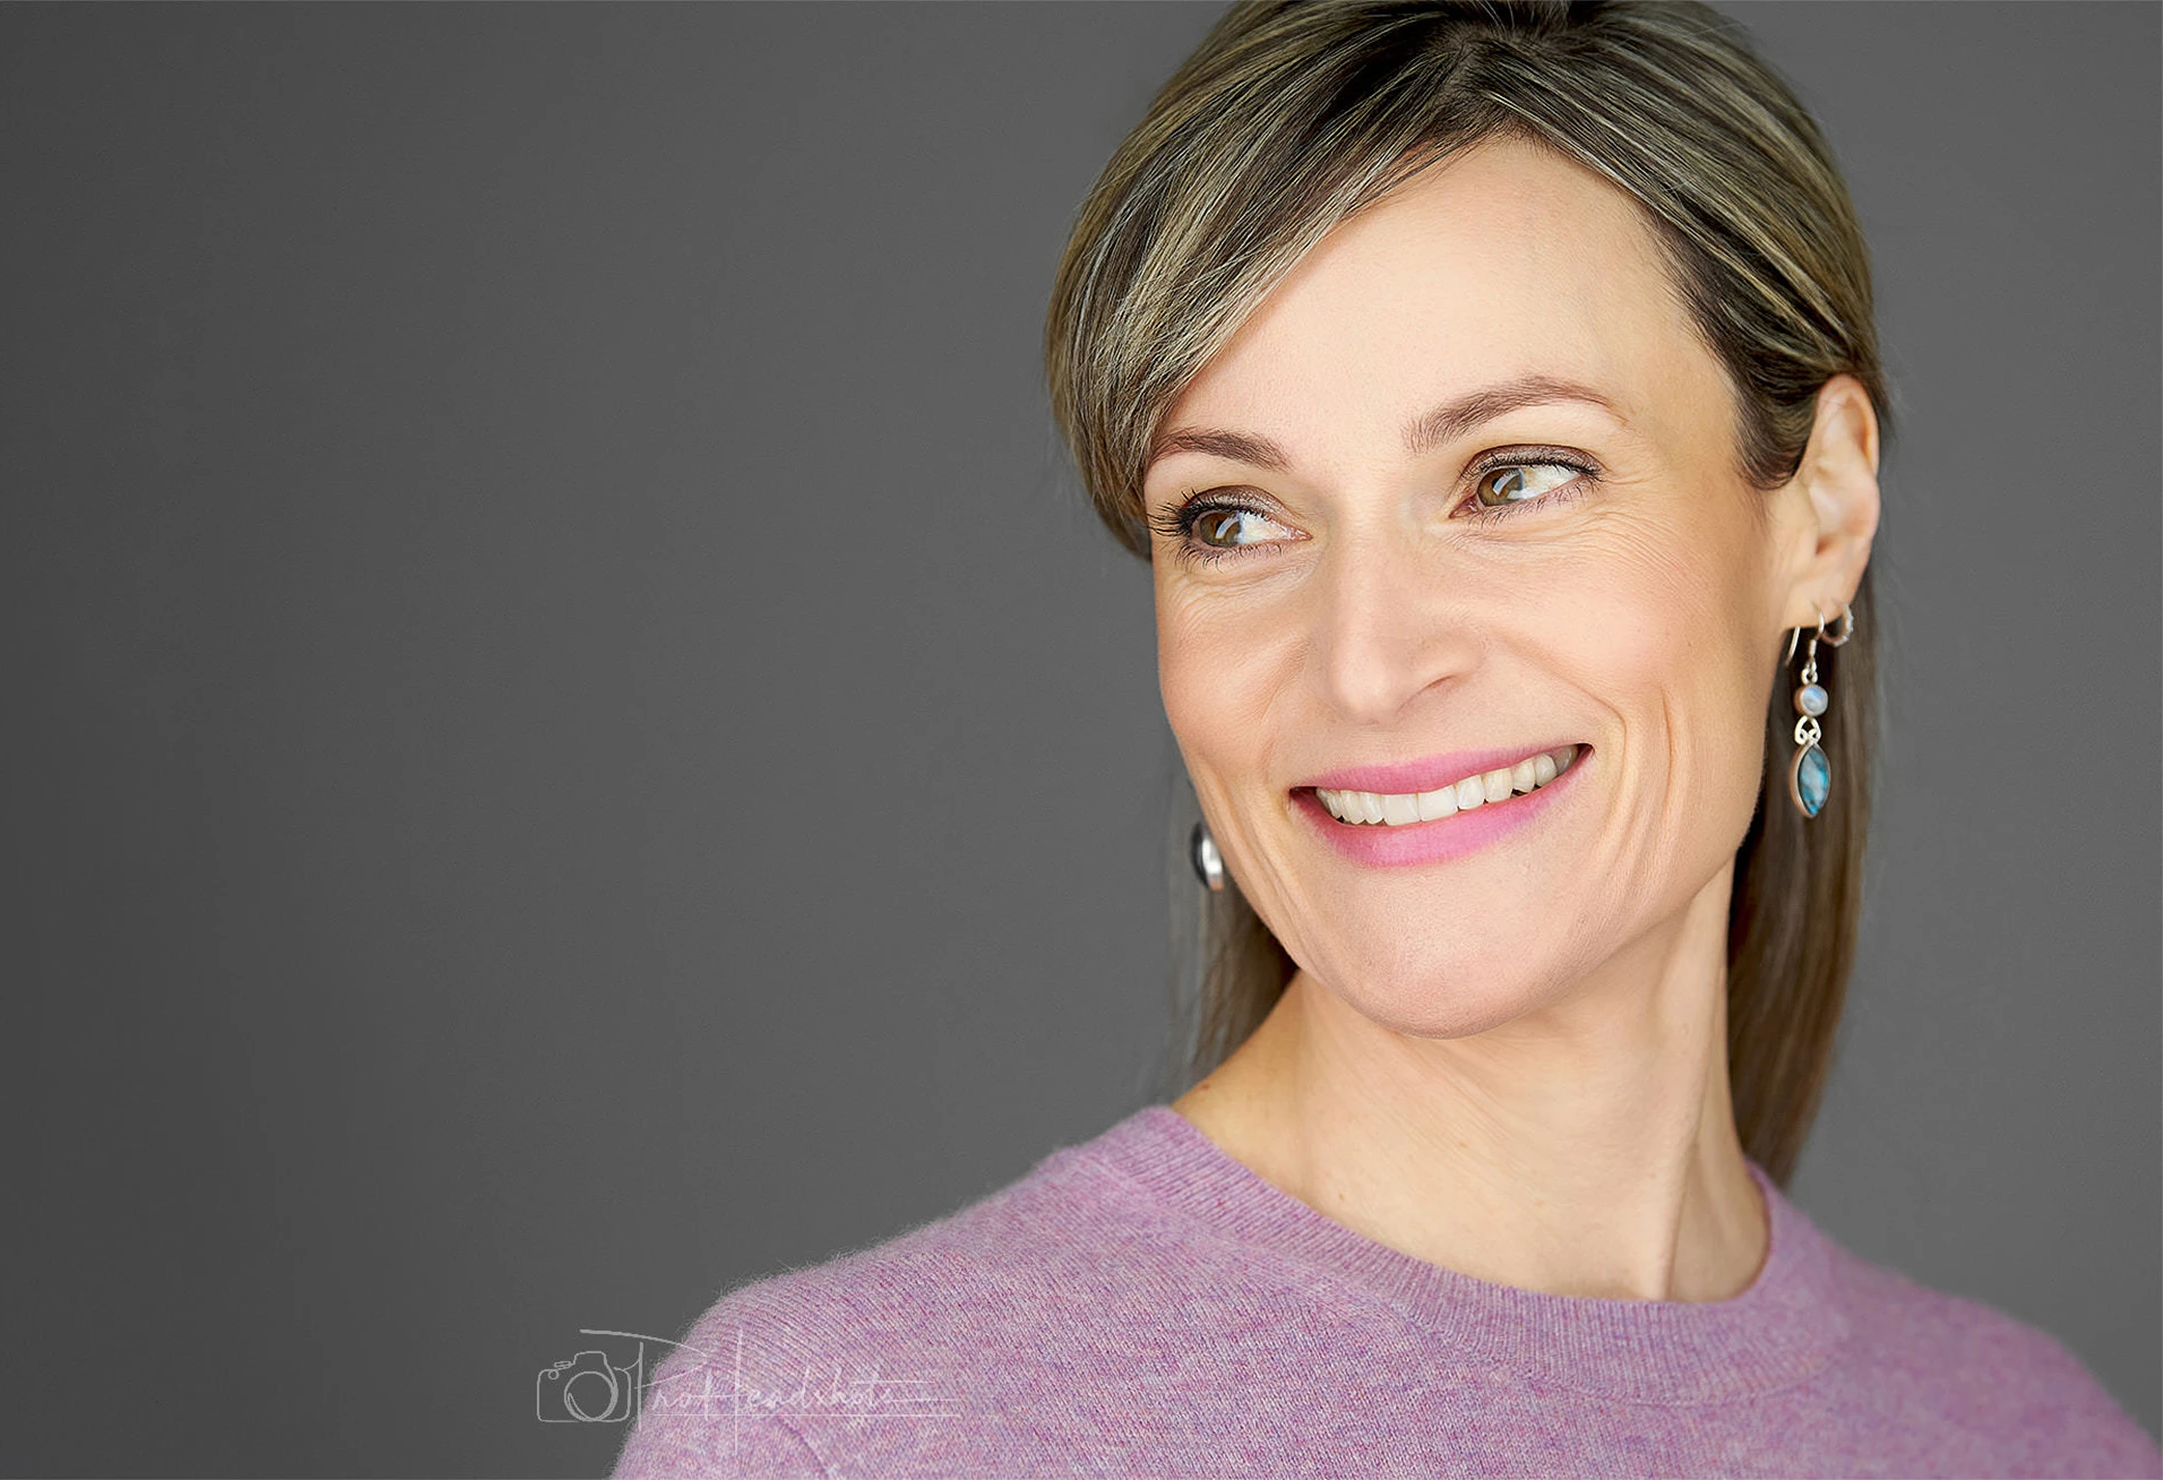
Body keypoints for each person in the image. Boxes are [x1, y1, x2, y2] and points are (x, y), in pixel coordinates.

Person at [610, 2, 2163, 1474]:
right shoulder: (850, 1436)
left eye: (1516, 476)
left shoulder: (2034, 1444)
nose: (1361, 664)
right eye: (1235, 517)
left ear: (1822, 511)